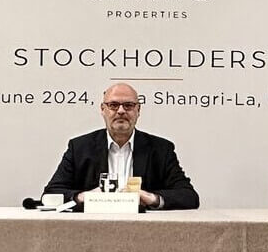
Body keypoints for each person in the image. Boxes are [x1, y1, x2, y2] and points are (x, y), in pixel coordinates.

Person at [42, 82, 199, 210]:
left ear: (138, 110)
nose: (121, 111)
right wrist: (85, 196)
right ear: (103, 110)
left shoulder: (161, 149)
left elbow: (189, 197)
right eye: (113, 105)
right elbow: (51, 193)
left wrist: (150, 198)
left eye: (129, 105)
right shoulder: (80, 147)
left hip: (146, 232)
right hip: (91, 231)